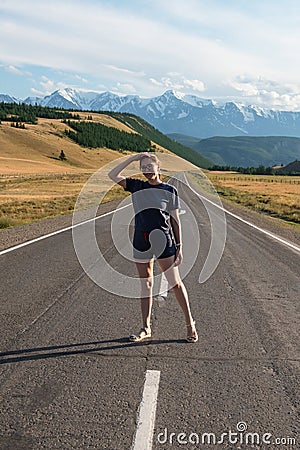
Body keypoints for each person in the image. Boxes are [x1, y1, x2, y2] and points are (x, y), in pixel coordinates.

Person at [108, 152, 198, 343]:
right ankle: (145, 327)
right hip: (141, 241)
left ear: (159, 168)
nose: (147, 171)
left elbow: (175, 220)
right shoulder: (136, 186)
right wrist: (133, 158)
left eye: (150, 166)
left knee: (175, 284)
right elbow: (112, 175)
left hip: (164, 241)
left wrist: (179, 246)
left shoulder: (169, 190)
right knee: (146, 285)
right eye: (143, 167)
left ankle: (190, 324)